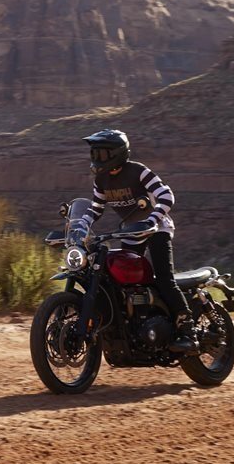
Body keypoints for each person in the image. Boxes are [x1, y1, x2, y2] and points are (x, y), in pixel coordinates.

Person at [67, 127, 197, 353]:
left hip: (157, 229)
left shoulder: (138, 171)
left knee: (164, 279)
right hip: (131, 231)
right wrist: (80, 225)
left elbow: (166, 196)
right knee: (122, 280)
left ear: (117, 153)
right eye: (94, 153)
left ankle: (188, 331)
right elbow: (96, 209)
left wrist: (152, 220)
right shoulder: (101, 179)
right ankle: (135, 326)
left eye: (102, 153)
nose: (96, 157)